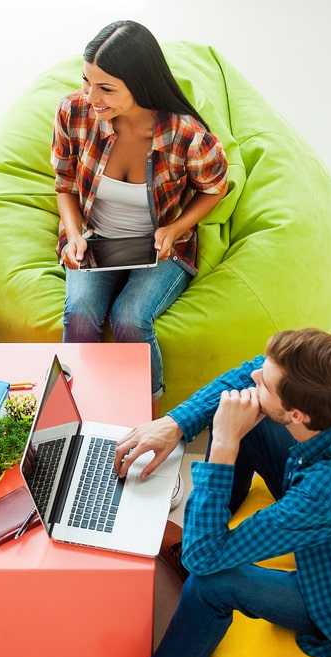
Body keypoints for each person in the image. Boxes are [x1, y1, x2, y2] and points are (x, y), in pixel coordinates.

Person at [114, 329, 331, 657]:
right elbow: (253, 371)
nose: (255, 376)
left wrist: (225, 444)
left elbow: (202, 562)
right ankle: (215, 528)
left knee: (210, 580)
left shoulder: (326, 492)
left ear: (298, 415)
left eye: (265, 383)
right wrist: (175, 423)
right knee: (236, 408)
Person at [53, 20, 228, 417]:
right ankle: (72, 415)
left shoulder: (186, 136)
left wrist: (174, 228)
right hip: (94, 239)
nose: (91, 96)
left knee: (130, 318)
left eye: (106, 89)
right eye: (86, 82)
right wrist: (75, 233)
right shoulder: (74, 113)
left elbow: (215, 188)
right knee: (79, 313)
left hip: (158, 248)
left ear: (141, 84)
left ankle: (148, 422)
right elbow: (63, 184)